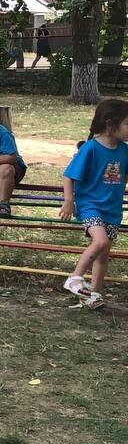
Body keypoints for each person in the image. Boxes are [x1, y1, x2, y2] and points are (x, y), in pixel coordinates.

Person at [60, 98, 128, 310]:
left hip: (112, 209)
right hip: (90, 205)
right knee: (99, 242)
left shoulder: (125, 150)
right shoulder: (90, 148)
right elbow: (69, 176)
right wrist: (69, 202)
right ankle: (75, 278)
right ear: (110, 123)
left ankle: (94, 295)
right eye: (127, 123)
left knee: (103, 254)